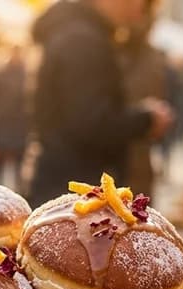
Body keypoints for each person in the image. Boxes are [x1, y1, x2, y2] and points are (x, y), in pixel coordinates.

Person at [28, 0, 172, 203]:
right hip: (73, 192)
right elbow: (90, 122)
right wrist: (146, 119)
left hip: (65, 185)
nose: (141, 9)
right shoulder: (84, 39)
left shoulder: (79, 32)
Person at [119, 7, 167, 196]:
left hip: (139, 147)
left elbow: (158, 95)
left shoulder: (151, 56)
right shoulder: (106, 50)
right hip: (111, 149)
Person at [0, 45, 29, 186]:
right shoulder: (1, 74)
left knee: (19, 155)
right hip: (4, 119)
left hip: (20, 120)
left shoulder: (27, 74)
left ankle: (20, 184)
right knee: (1, 154)